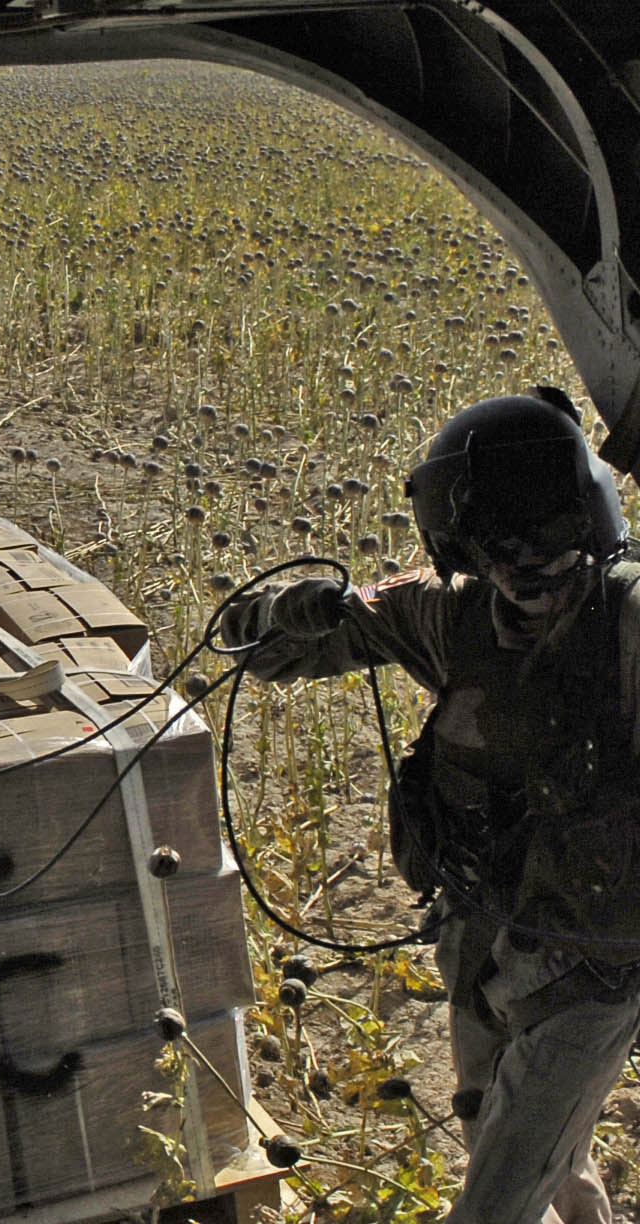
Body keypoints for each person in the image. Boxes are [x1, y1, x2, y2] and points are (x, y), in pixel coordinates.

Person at [220, 386, 640, 1224]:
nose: (531, 571)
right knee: (546, 1164)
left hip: (593, 973)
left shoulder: (629, 620)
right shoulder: (447, 617)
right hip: (483, 947)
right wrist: (282, 613)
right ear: (466, 550)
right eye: (503, 552)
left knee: (492, 1204)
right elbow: (258, 652)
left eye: (552, 545)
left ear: (588, 523)